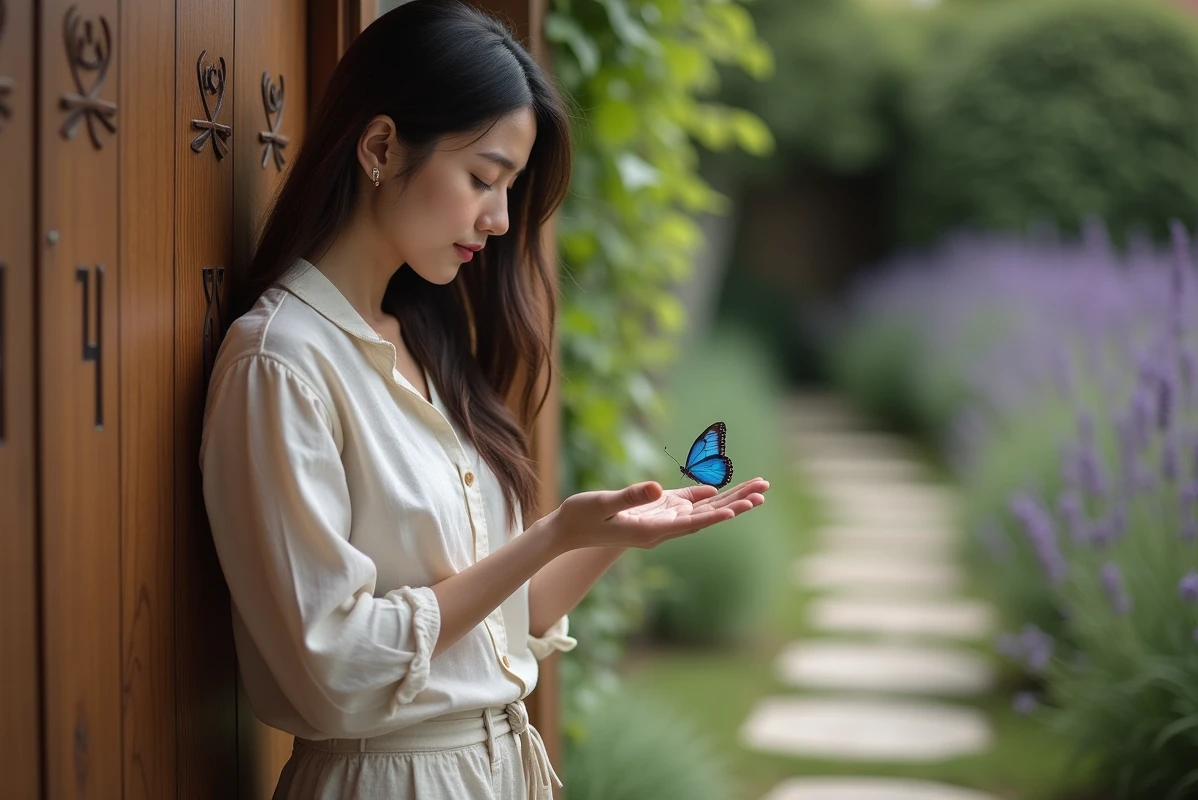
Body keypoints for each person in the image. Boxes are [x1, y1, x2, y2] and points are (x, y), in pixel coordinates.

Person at [198, 1, 770, 798]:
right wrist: (547, 536)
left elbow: (497, 624)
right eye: (482, 179)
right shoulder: (283, 363)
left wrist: (604, 539)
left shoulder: (426, 343)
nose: (499, 219)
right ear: (381, 147)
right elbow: (331, 669)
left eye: (508, 188)